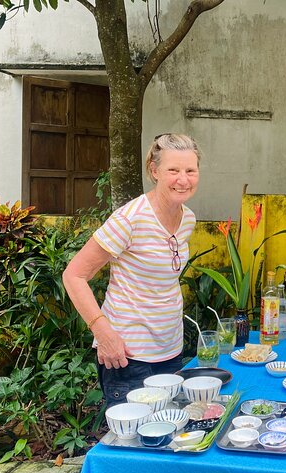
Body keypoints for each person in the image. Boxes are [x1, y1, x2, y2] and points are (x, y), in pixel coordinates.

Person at [63, 133, 200, 407]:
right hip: (127, 355)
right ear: (154, 170)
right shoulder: (130, 219)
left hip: (170, 351)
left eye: (190, 171)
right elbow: (74, 275)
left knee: (166, 437)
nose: (183, 179)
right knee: (133, 441)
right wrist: (103, 333)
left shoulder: (187, 219)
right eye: (173, 170)